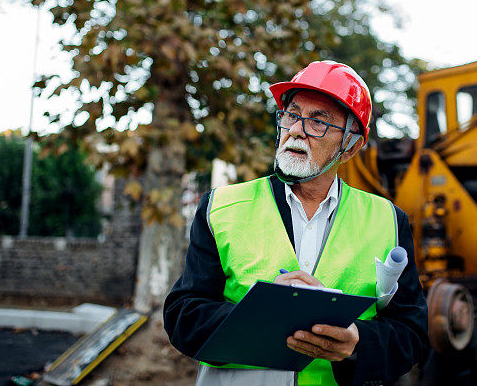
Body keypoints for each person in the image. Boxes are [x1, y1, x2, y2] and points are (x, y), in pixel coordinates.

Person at [164, 60, 429, 386]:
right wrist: (261, 313)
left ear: (351, 146)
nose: (296, 130)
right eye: (292, 114)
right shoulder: (221, 207)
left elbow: (412, 333)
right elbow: (182, 315)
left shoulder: (388, 221)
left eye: (319, 122)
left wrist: (358, 342)